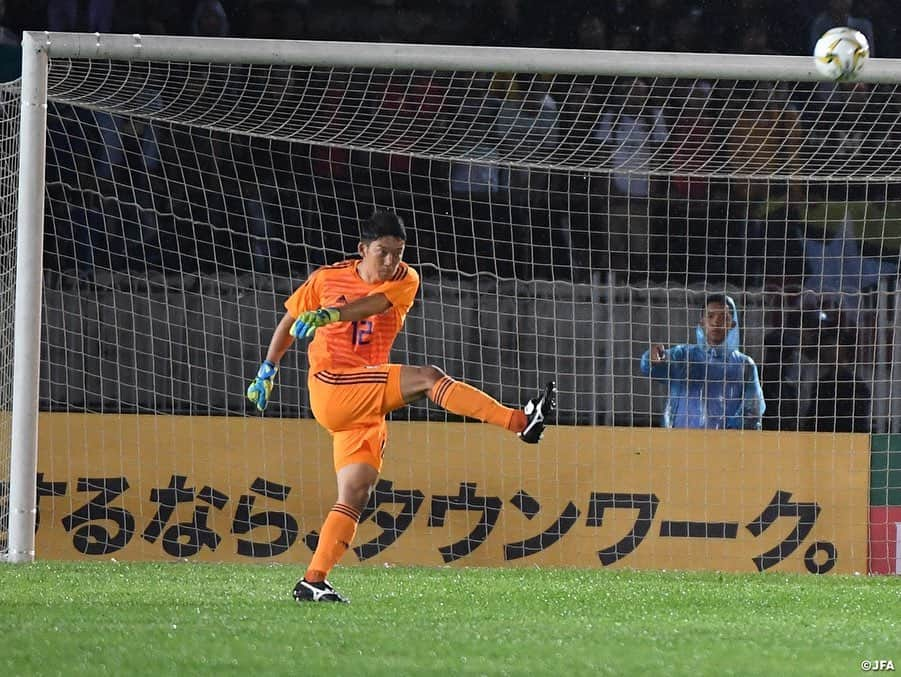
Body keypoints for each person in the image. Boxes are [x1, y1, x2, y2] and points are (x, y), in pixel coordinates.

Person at [246, 210, 557, 603]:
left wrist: (331, 313)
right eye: (383, 253)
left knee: (356, 491)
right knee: (428, 378)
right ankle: (520, 422)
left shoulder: (405, 279)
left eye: (398, 252)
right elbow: (290, 320)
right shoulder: (326, 279)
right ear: (362, 250)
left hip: (363, 400)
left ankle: (313, 580)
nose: (391, 261)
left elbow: (372, 306)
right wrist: (266, 371)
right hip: (332, 385)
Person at [639, 294, 765, 430]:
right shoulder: (683, 356)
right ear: (702, 322)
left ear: (732, 324)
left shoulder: (744, 365)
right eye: (710, 316)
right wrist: (652, 357)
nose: (716, 322)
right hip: (679, 443)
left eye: (723, 318)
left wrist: (727, 437)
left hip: (723, 447)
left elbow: (752, 411)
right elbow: (652, 367)